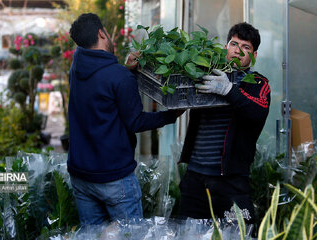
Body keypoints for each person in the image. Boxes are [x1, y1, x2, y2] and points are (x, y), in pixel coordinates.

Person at [67, 13, 183, 225]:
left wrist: (125, 70)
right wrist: (171, 115)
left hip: (81, 177)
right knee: (130, 235)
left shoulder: (76, 70)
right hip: (114, 179)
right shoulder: (119, 77)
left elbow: (103, 86)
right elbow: (135, 121)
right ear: (102, 33)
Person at [178, 22, 271, 224]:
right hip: (195, 177)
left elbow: (258, 112)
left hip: (231, 180)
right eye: (233, 44)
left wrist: (228, 90)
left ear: (254, 55)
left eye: (246, 47)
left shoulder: (258, 83)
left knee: (238, 234)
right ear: (226, 47)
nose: (237, 51)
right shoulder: (206, 72)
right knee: (187, 234)